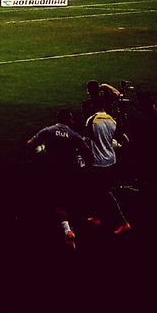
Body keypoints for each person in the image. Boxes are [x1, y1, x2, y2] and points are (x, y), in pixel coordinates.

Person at [27, 109, 92, 249]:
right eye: (72, 119)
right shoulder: (74, 135)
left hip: (53, 172)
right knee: (70, 200)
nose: (73, 121)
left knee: (57, 203)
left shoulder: (48, 131)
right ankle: (77, 227)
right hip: (70, 173)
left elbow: (30, 143)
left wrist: (41, 151)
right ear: (68, 120)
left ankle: (67, 230)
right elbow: (87, 153)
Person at [84, 103, 131, 234]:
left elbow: (86, 141)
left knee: (104, 192)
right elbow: (122, 138)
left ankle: (123, 222)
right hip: (111, 160)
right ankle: (98, 216)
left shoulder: (91, 120)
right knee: (97, 190)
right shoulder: (112, 120)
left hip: (98, 162)